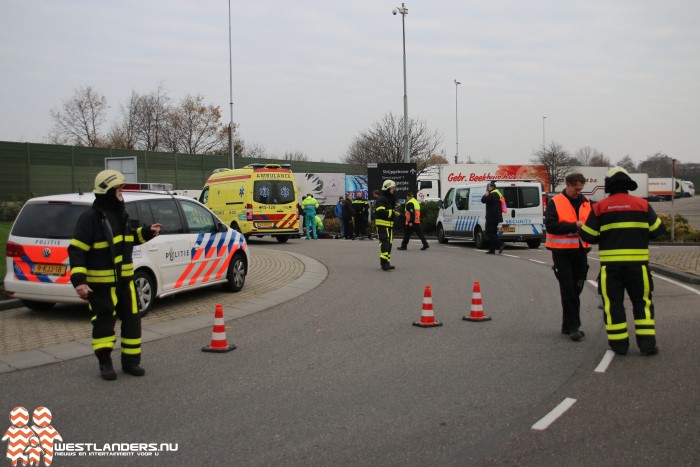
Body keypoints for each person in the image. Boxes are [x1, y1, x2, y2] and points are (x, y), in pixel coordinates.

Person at [68, 170, 162, 380]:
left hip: (125, 282)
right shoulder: (90, 218)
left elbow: (127, 238)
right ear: (108, 191)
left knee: (132, 321)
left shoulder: (121, 213)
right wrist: (79, 282)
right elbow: (77, 251)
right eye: (119, 188)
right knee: (104, 325)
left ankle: (131, 362)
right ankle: (105, 363)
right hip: (101, 286)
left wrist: (146, 232)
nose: (122, 192)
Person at [579, 167, 665, 356]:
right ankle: (647, 345)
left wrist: (581, 227)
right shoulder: (642, 205)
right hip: (638, 267)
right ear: (628, 185)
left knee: (613, 305)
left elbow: (589, 236)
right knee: (642, 303)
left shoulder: (600, 207)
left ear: (609, 186)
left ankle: (619, 345)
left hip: (611, 269)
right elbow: (659, 230)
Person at [544, 172, 591, 342]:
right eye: (576, 189)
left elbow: (592, 224)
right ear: (568, 184)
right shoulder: (555, 202)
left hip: (581, 252)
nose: (578, 192)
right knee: (568, 289)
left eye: (581, 189)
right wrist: (574, 226)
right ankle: (574, 327)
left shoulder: (586, 203)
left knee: (576, 289)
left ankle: (567, 324)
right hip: (562, 252)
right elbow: (550, 226)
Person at [375, 180, 398, 271]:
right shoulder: (381, 199)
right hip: (382, 225)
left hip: (389, 225)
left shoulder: (391, 198)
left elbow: (390, 211)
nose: (393, 189)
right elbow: (381, 212)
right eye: (392, 188)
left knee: (389, 244)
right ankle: (384, 264)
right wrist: (392, 213)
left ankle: (387, 262)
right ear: (387, 188)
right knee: (384, 244)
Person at [480, 181, 506, 254]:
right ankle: (492, 249)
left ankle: (501, 244)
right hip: (497, 217)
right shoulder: (498, 194)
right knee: (493, 233)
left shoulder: (492, 194)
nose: (488, 188)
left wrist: (486, 194)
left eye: (489, 187)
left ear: (491, 187)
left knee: (489, 232)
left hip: (491, 217)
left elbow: (483, 200)